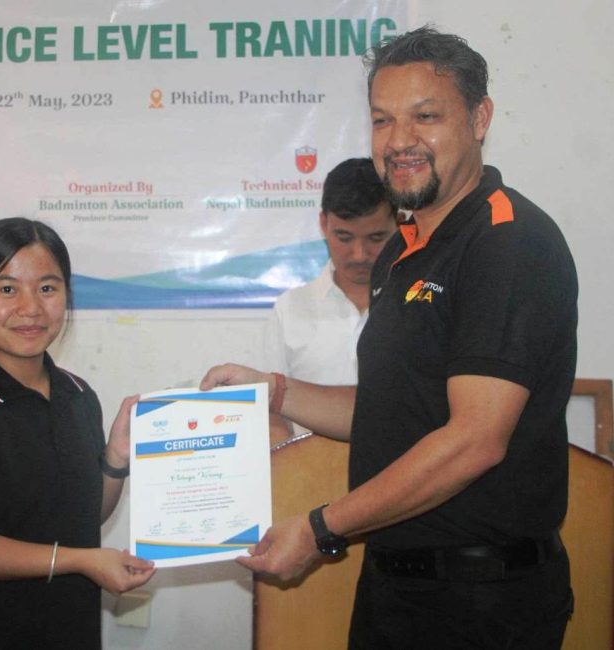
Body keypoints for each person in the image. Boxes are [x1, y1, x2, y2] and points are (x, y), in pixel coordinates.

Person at [201, 26, 577, 650]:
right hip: (394, 585)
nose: (399, 140)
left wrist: (321, 527)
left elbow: (474, 440)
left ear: (479, 118)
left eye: (425, 116)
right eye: (382, 120)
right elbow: (390, 411)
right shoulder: (402, 250)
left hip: (483, 599)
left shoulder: (508, 241)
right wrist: (274, 390)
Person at [0, 217, 155, 649]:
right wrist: (79, 561)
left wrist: (115, 459)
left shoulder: (79, 396)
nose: (31, 308)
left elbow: (81, 516)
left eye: (47, 288)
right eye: (7, 289)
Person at [264, 157, 396, 386]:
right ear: (324, 224)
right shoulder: (291, 310)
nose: (359, 255)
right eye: (344, 237)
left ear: (400, 224)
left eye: (376, 238)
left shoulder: (422, 304)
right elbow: (269, 402)